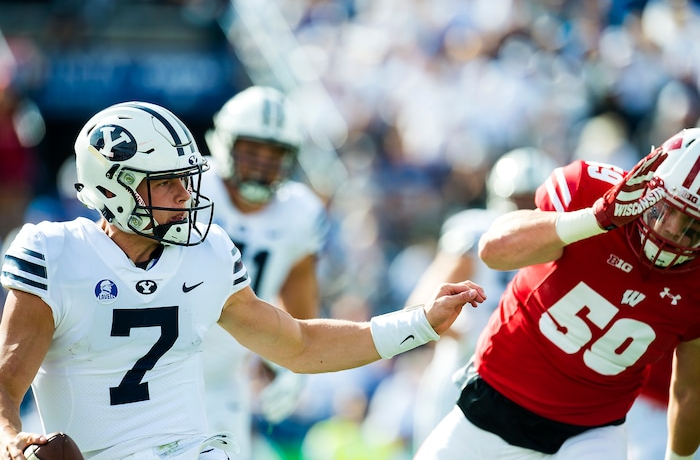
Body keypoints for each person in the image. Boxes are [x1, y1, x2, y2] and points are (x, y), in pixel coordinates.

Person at [0, 101, 485, 460]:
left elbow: (299, 343)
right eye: (166, 181)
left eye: (187, 178)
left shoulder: (208, 254)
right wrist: (10, 440)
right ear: (114, 187)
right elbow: (7, 382)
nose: (186, 194)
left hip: (192, 450)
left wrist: (419, 322)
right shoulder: (56, 253)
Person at [415, 127, 700, 460]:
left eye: (692, 226)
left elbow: (690, 387)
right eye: (665, 210)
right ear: (650, 183)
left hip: (591, 432)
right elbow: (493, 251)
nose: (671, 231)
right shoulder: (591, 192)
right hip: (493, 399)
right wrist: (596, 218)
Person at [200, 86, 328, 459]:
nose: (261, 163)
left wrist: (292, 364)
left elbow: (298, 296)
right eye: (251, 150)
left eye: (274, 154)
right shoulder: (189, 187)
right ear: (224, 143)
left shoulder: (300, 213)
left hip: (223, 380)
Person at [406, 147, 558, 451]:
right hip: (465, 374)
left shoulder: (559, 245)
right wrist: (467, 338)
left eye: (532, 202)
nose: (524, 212)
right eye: (518, 202)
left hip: (526, 382)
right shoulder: (476, 231)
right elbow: (421, 303)